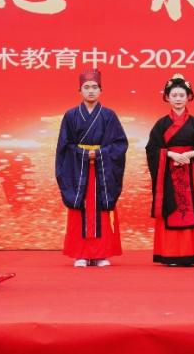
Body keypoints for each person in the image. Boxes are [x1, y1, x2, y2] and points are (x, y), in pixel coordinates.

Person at [145, 74, 194, 266]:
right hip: (168, 173)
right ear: (167, 98)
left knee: (190, 209)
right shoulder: (161, 124)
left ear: (188, 97)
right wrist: (171, 155)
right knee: (171, 209)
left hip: (190, 173)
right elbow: (152, 149)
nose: (178, 99)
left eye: (182, 95)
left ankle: (193, 253)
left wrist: (189, 154)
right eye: (174, 95)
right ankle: (169, 254)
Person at [56, 69, 128, 267]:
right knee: (79, 209)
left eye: (95, 87)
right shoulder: (71, 116)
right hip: (78, 171)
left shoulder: (109, 115)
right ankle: (80, 254)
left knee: (101, 210)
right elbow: (64, 146)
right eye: (86, 87)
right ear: (79, 90)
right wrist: (82, 154)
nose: (90, 91)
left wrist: (100, 153)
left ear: (101, 90)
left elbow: (120, 144)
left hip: (102, 172)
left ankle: (100, 254)